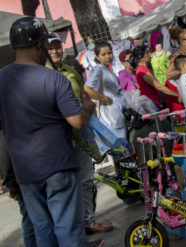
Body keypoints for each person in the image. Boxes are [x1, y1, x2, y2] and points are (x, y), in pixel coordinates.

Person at [0, 17, 95, 247]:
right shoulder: (54, 78)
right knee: (68, 229)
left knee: (42, 228)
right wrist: (88, 108)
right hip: (58, 165)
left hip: (24, 170)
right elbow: (77, 122)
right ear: (38, 44)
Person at [46, 33, 113, 236]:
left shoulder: (70, 71)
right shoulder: (44, 75)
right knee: (66, 184)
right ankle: (70, 228)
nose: (56, 51)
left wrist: (90, 111)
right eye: (51, 48)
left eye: (58, 46)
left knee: (86, 180)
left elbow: (84, 95)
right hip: (61, 137)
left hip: (82, 133)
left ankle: (88, 221)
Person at [84, 41, 130, 148]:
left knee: (124, 153)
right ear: (97, 56)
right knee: (121, 152)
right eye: (103, 54)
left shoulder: (107, 70)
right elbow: (87, 89)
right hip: (110, 120)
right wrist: (104, 98)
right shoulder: (97, 70)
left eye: (109, 53)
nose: (108, 57)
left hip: (117, 117)